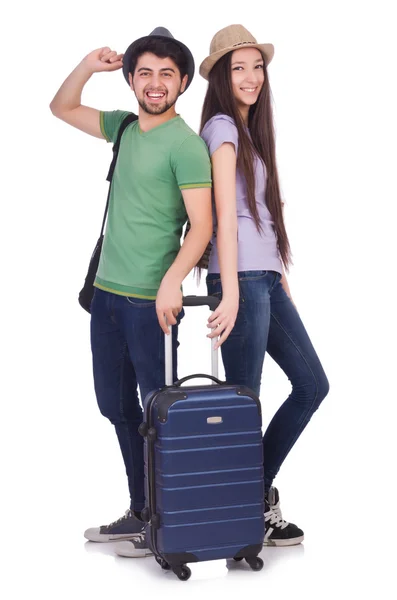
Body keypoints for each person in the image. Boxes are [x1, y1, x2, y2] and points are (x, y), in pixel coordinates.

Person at [50, 27, 212, 544]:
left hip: (151, 304)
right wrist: (86, 63)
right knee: (116, 407)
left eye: (167, 73)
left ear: (183, 81)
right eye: (145, 72)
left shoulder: (186, 145)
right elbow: (61, 106)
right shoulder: (122, 128)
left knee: (157, 412)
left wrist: (171, 283)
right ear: (132, 81)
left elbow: (202, 227)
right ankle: (143, 511)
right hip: (106, 296)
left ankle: (170, 520)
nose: (156, 82)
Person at [199, 24, 330, 546]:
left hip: (265, 279)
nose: (252, 77)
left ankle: (252, 494)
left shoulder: (254, 131)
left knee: (311, 385)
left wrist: (281, 274)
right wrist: (229, 290)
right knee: (244, 401)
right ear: (221, 77)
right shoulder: (223, 128)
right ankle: (240, 515)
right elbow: (225, 218)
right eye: (239, 68)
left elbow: (263, 217)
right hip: (240, 280)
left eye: (257, 67)